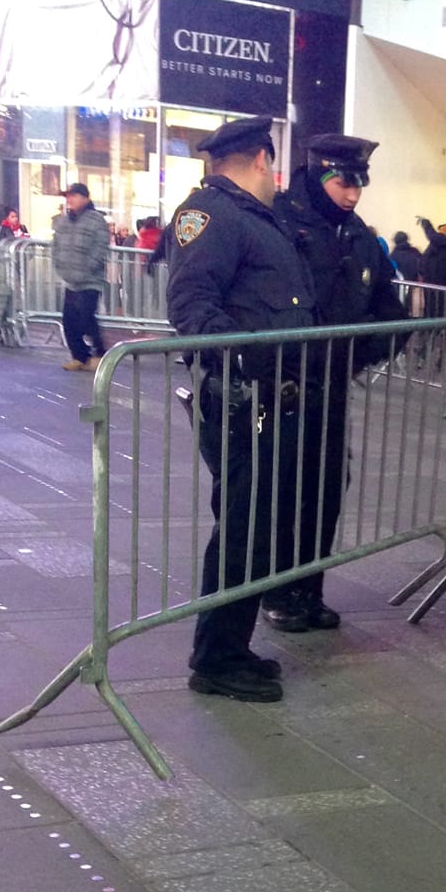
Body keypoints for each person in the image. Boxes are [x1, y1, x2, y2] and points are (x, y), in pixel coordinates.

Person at [165, 115, 316, 703]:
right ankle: (216, 658)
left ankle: (233, 644)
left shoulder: (250, 215)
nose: (276, 176)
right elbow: (191, 304)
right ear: (260, 158)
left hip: (267, 400)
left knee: (255, 531)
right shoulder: (211, 214)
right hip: (242, 399)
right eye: (273, 165)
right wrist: (242, 361)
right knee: (242, 531)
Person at [261, 134, 405, 634]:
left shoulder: (358, 235)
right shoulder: (278, 222)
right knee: (282, 491)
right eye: (344, 183)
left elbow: (391, 312)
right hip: (284, 385)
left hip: (332, 385)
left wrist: (352, 357)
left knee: (324, 490)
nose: (352, 194)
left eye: (359, 184)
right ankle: (277, 591)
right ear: (320, 174)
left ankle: (309, 588)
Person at [51, 184, 111, 373]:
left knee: (86, 315)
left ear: (85, 198)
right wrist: (60, 266)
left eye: (73, 196)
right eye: (68, 196)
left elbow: (101, 247)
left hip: (90, 280)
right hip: (70, 279)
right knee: (69, 319)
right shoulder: (63, 222)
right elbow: (56, 246)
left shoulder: (96, 220)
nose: (69, 200)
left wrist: (87, 269)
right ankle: (79, 356)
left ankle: (101, 353)